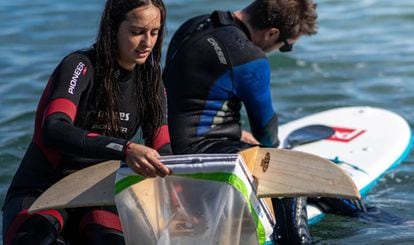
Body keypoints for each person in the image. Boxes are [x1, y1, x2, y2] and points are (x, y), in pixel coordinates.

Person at [2, 0, 172, 244]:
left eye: (154, 32)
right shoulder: (80, 66)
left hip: (97, 195)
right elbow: (55, 128)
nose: (147, 42)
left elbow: (163, 148)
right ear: (113, 28)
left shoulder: (150, 83)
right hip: (43, 189)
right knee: (37, 240)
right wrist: (126, 149)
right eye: (136, 32)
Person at [163, 0, 318, 244]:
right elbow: (266, 131)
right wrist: (273, 153)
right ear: (272, 33)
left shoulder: (193, 25)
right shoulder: (248, 56)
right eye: (285, 47)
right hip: (204, 163)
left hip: (166, 149)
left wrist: (232, 133)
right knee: (291, 181)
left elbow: (188, 98)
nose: (280, 50)